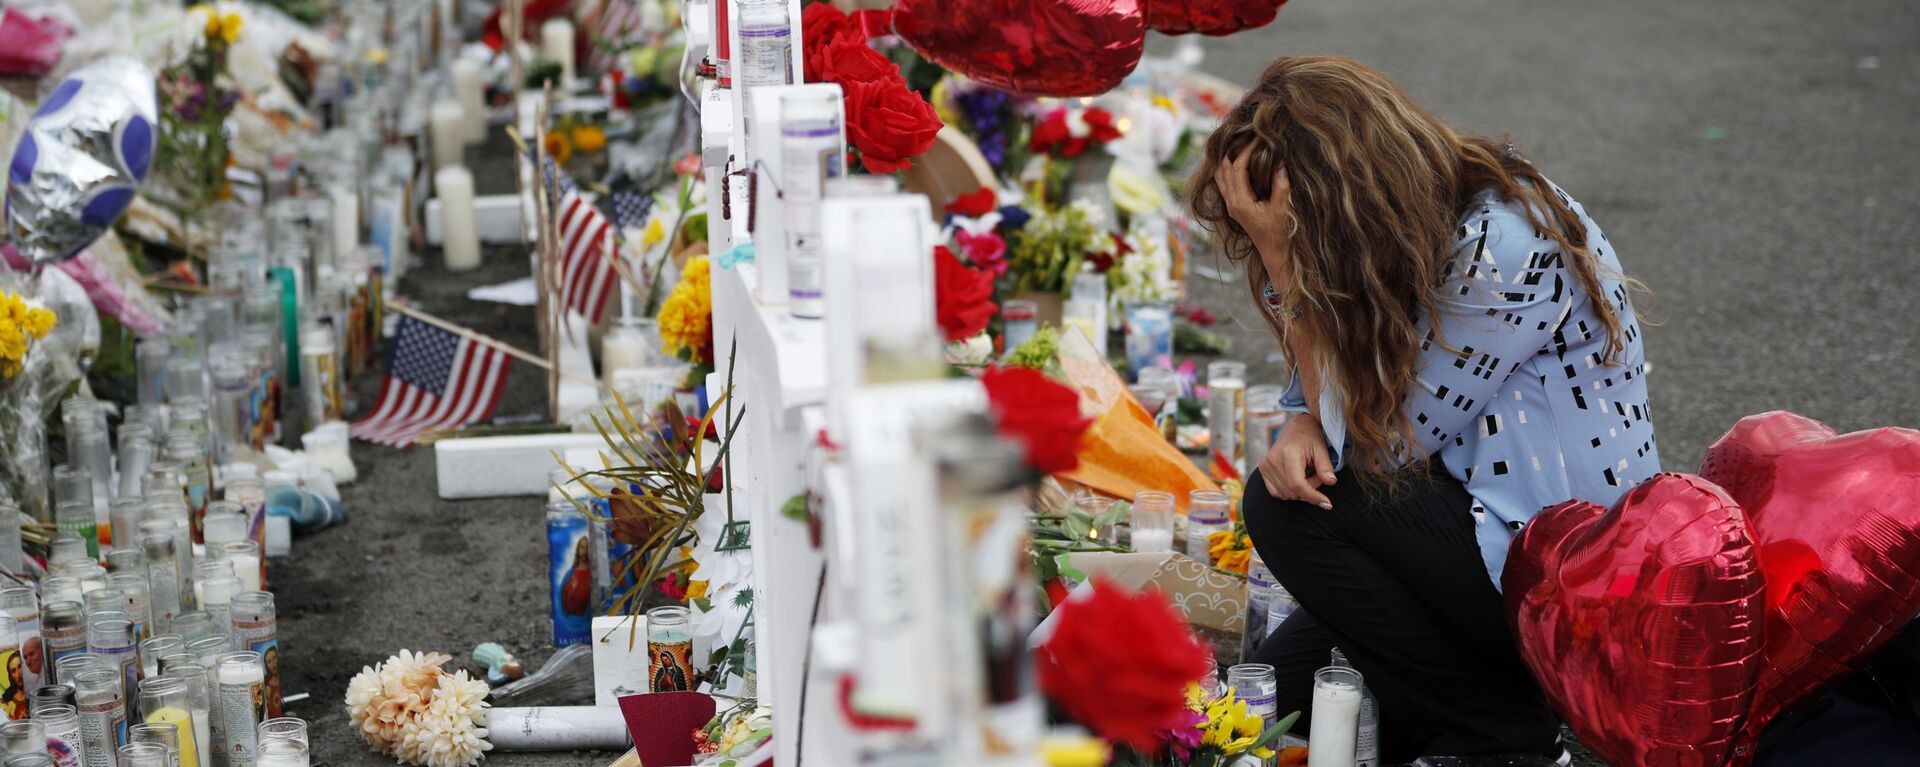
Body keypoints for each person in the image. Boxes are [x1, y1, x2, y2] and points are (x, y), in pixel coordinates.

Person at [1187, 56, 1658, 764]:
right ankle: (1458, 712)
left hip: (1562, 581)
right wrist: (1304, 418)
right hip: (1478, 527)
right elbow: (1350, 392)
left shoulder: (1501, 244)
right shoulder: (1428, 211)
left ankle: (1508, 737)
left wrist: (1285, 263)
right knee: (1254, 704)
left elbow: (1381, 448)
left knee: (1291, 506)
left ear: (1345, 192)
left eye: (1290, 223)